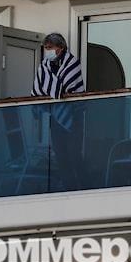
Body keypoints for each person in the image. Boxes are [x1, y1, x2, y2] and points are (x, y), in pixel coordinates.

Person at [31, 33, 85, 188]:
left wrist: (55, 88)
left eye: (50, 47)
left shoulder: (72, 63)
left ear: (60, 48)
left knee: (74, 154)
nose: (47, 51)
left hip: (74, 117)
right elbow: (39, 87)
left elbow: (69, 86)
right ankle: (68, 186)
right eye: (45, 48)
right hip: (55, 118)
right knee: (60, 155)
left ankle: (83, 185)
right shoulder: (44, 65)